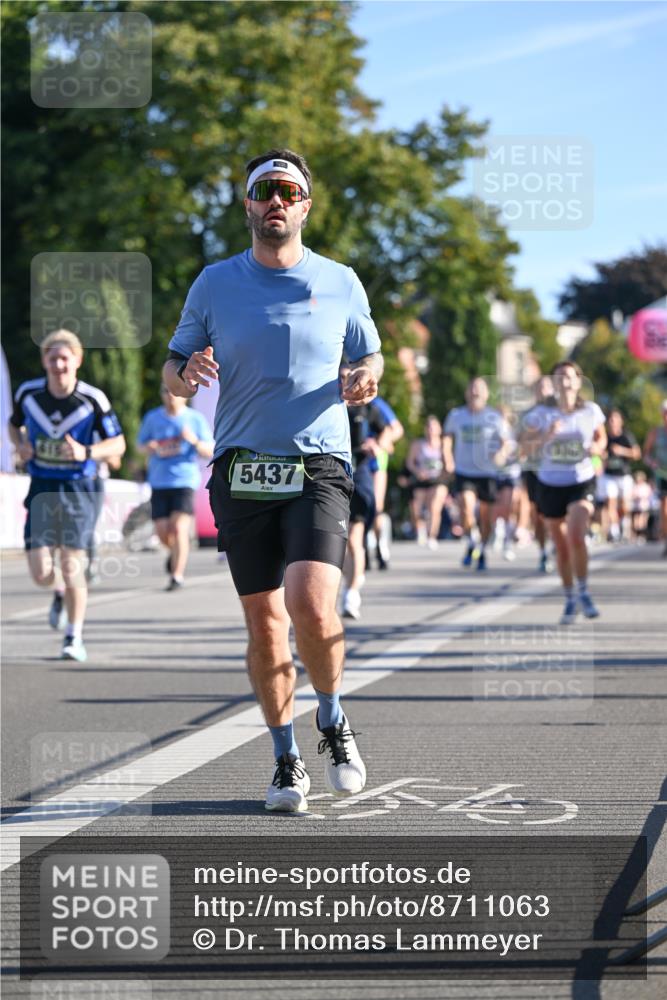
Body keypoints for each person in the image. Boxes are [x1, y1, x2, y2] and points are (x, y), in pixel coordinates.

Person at [162, 148, 383, 813]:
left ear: (305, 205)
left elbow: (367, 351)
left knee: (311, 602)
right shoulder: (213, 283)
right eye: (265, 191)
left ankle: (333, 717)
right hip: (240, 465)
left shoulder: (340, 280)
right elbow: (171, 369)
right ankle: (286, 759)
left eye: (289, 190)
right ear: (249, 205)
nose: (277, 201)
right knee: (263, 623)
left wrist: (368, 374)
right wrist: (184, 376)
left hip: (319, 462)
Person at [8, 329, 126, 661]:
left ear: (77, 360)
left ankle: (73, 637)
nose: (59, 364)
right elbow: (12, 424)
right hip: (42, 486)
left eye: (65, 358)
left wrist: (86, 451)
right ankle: (57, 592)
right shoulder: (28, 394)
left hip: (80, 488)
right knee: (41, 573)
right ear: (44, 360)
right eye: (52, 357)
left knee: (71, 563)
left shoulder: (92, 399)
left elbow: (118, 444)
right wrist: (21, 446)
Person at [534, 361, 606, 624]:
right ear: (553, 383)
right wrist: (546, 437)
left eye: (570, 375)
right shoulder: (541, 413)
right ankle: (569, 597)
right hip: (550, 483)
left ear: (578, 381)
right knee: (562, 547)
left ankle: (584, 590)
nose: (565, 379)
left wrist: (597, 448)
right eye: (559, 375)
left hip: (581, 479)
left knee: (576, 536)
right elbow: (525, 446)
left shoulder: (590, 411)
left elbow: (601, 438)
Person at [137, 385, 214, 589]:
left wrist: (194, 441)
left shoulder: (195, 419)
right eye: (165, 391)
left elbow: (209, 450)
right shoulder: (153, 418)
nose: (169, 396)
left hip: (184, 481)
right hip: (159, 481)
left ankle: (176, 575)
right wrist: (150, 447)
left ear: (184, 397)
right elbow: (139, 445)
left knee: (179, 528)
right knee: (162, 531)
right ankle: (174, 552)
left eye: (173, 392)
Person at [443, 377, 509, 571]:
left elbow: (506, 441)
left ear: (486, 394)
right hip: (464, 471)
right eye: (472, 388)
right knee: (465, 506)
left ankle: (480, 548)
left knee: (486, 518)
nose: (475, 392)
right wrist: (447, 458)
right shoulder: (456, 415)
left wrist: (501, 453)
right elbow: (447, 438)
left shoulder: (494, 417)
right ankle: (472, 539)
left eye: (479, 389)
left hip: (487, 472)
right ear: (466, 393)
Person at [341, 398, 391, 619]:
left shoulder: (367, 407)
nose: (343, 382)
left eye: (347, 377)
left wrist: (377, 444)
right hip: (327, 476)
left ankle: (351, 594)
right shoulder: (322, 399)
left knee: (353, 538)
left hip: (358, 473)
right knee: (336, 543)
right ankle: (349, 580)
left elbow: (389, 430)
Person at [367, 396, 403, 569]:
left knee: (375, 506)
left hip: (375, 461)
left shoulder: (376, 404)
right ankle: (362, 546)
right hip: (352, 458)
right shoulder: (341, 399)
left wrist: (381, 442)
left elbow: (397, 429)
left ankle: (380, 545)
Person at [405, 415, 448, 550]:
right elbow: (410, 463)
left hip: (437, 480)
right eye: (428, 427)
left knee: (435, 507)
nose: (431, 430)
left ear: (439, 429)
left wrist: (445, 472)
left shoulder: (443, 444)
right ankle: (421, 530)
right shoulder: (418, 444)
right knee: (417, 509)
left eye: (434, 427)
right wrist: (418, 471)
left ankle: (432, 536)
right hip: (421, 480)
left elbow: (449, 464)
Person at [598, 409, 640, 542]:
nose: (612, 422)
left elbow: (637, 454)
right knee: (610, 502)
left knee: (624, 505)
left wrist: (621, 451)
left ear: (621, 421)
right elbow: (596, 453)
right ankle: (614, 530)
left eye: (615, 419)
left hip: (623, 475)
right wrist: (600, 458)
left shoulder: (626, 436)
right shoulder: (605, 437)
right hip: (609, 475)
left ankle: (623, 524)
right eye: (610, 420)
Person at [643, 400, 667, 557]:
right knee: (664, 509)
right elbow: (645, 453)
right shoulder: (655, 432)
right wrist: (652, 462)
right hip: (662, 475)